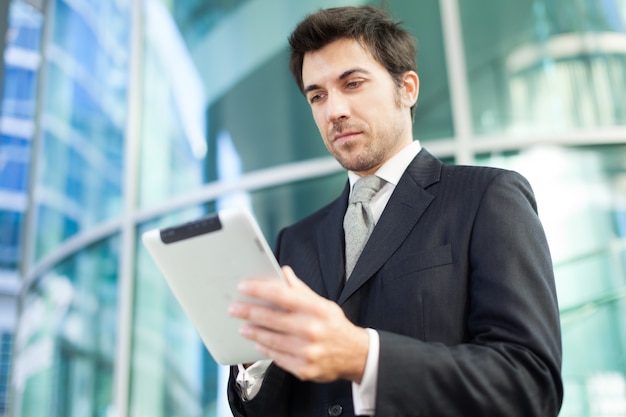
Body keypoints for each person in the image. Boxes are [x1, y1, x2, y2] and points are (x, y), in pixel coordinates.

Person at [227, 5, 563, 417]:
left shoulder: (488, 198)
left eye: (352, 83)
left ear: (407, 88)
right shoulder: (294, 241)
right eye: (318, 95)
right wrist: (255, 360)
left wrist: (364, 356)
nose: (334, 110)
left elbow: (529, 384)